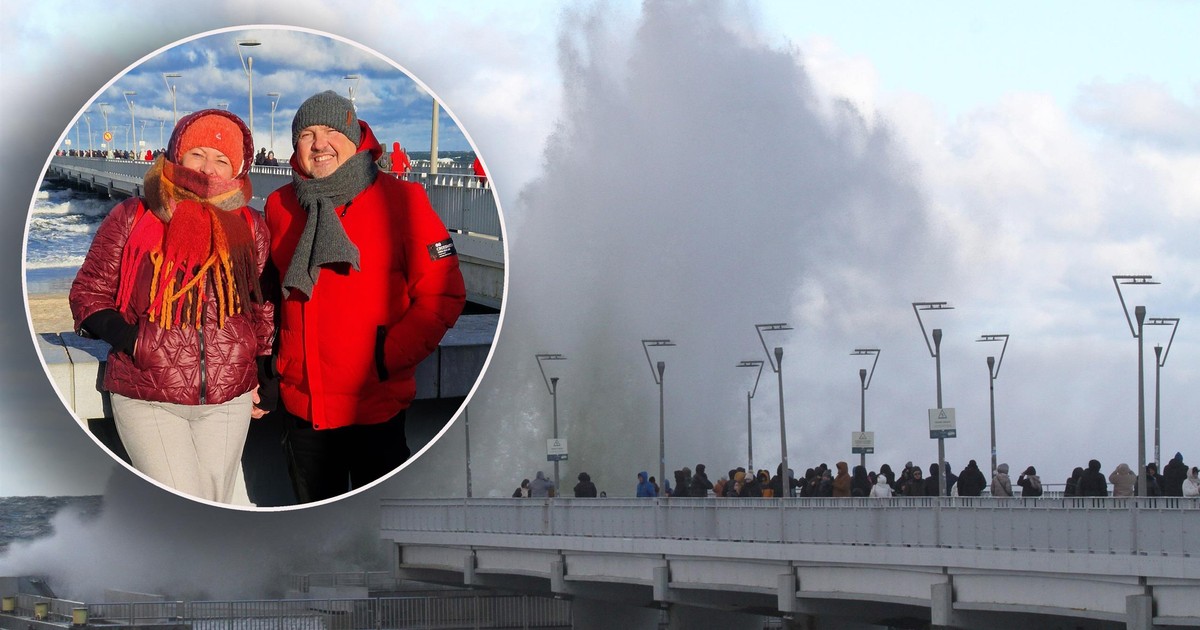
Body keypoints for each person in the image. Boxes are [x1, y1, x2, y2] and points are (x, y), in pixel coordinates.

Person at [264, 91, 466, 503]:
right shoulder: (280, 205)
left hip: (375, 407)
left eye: (332, 131)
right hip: (302, 411)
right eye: (307, 134)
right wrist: (267, 369)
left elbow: (444, 292)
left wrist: (385, 357)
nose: (320, 143)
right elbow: (268, 295)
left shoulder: (402, 201)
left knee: (383, 527)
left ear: (356, 137)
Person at [70, 109, 274, 504]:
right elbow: (88, 293)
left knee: (217, 508)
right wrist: (136, 341)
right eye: (198, 153)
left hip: (228, 399)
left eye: (222, 160)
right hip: (148, 393)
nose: (208, 168)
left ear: (236, 169)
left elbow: (261, 308)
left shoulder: (251, 225)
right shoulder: (134, 215)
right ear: (177, 154)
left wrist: (261, 369)